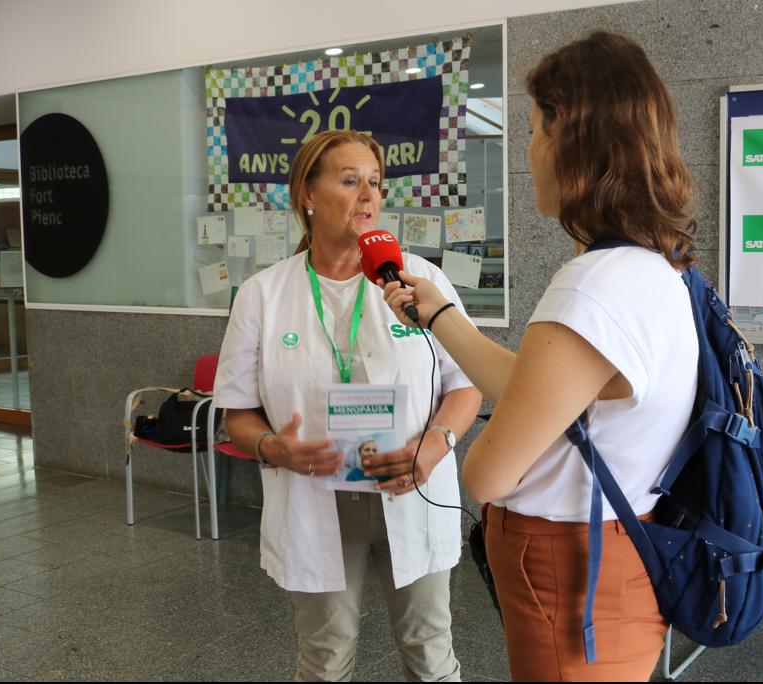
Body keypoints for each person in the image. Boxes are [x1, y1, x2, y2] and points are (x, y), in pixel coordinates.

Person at [380, 31, 699, 681]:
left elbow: (488, 476)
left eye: (531, 130)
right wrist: (440, 313)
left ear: (572, 141)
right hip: (624, 550)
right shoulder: (654, 267)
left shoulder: (594, 287)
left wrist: (460, 443)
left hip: (572, 569)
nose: (527, 153)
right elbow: (543, 394)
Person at [214, 129, 482, 682]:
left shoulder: (419, 279)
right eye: (350, 180)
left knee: (429, 648)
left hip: (413, 485)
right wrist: (271, 447)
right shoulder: (262, 294)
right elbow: (236, 413)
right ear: (307, 195)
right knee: (325, 655)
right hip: (316, 494)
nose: (369, 196)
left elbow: (466, 385)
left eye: (376, 183)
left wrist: (433, 448)